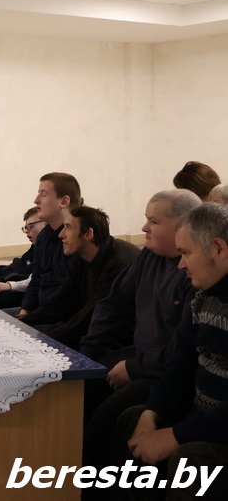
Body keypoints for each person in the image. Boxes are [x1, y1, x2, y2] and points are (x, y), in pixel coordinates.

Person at [112, 202, 228, 499]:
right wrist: (154, 411)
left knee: (192, 460)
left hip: (220, 426)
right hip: (203, 415)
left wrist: (177, 435)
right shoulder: (202, 298)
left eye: (186, 253)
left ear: (218, 249)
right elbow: (182, 363)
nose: (180, 265)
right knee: (133, 421)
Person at [79, 189, 201, 469]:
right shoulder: (149, 255)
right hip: (141, 356)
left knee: (105, 418)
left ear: (183, 226)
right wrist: (87, 353)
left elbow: (184, 349)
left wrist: (135, 368)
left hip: (166, 371)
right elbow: (114, 305)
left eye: (154, 222)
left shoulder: (195, 271)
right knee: (77, 386)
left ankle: (88, 482)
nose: (144, 228)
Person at [21, 206, 139, 349]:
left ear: (88, 234)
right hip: (93, 330)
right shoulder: (81, 257)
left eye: (68, 227)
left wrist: (36, 337)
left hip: (122, 342)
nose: (61, 235)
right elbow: (61, 301)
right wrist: (20, 324)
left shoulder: (118, 265)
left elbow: (90, 318)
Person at [17, 172, 82, 318]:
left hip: (59, 318)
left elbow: (68, 295)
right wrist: (25, 309)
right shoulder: (44, 236)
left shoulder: (76, 240)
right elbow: (36, 279)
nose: (36, 200)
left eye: (43, 194)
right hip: (40, 312)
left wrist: (33, 318)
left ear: (64, 201)